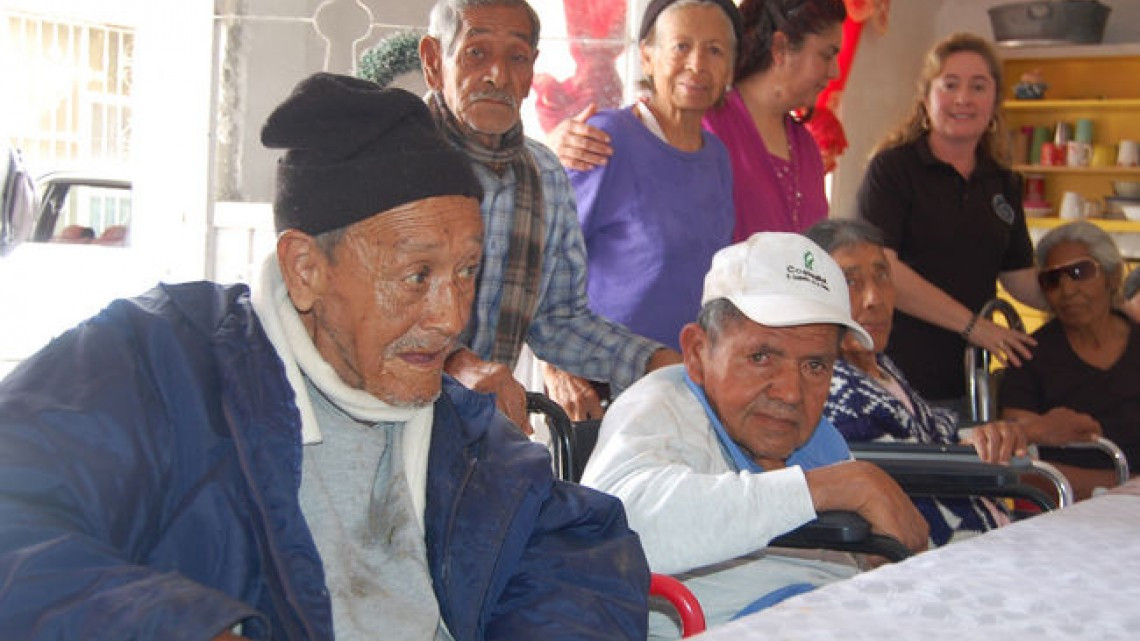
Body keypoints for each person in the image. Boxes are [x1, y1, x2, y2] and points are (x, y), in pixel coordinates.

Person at [0, 74, 651, 640]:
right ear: (306, 268)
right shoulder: (159, 365)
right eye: (417, 275)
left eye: (468, 271)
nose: (453, 317)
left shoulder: (460, 428)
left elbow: (577, 553)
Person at [581, 232, 929, 638]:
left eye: (815, 365)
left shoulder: (817, 438)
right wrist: (830, 488)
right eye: (761, 357)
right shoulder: (662, 407)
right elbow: (614, 530)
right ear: (697, 353)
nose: (789, 392)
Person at [418, 0, 680, 426]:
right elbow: (362, 313)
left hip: (475, 437)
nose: (498, 75)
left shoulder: (543, 176)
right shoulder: (393, 159)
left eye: (516, 58)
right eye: (476, 53)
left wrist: (658, 363)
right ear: (433, 62)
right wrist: (458, 366)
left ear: (531, 72)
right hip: (376, 427)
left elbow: (559, 321)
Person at [539, 0, 740, 409]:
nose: (697, 64)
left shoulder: (717, 156)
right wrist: (556, 367)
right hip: (600, 385)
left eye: (715, 50)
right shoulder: (605, 138)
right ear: (647, 56)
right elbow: (543, 259)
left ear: (731, 69)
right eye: (681, 46)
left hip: (681, 386)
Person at [806, 218, 1035, 545]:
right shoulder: (833, 387)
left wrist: (993, 433)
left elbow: (934, 428)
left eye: (882, 275)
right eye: (850, 281)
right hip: (937, 549)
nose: (874, 298)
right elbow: (910, 469)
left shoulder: (879, 367)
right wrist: (974, 450)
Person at [855, 32, 1048, 413]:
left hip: (965, 381)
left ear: (995, 101)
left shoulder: (1003, 182)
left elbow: (1019, 277)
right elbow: (882, 270)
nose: (963, 99)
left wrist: (1090, 301)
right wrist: (974, 326)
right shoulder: (893, 170)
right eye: (950, 85)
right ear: (927, 97)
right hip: (894, 377)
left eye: (978, 86)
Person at [551, 0, 846, 239]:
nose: (834, 71)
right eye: (827, 54)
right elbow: (553, 249)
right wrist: (549, 153)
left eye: (715, 51)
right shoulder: (698, 123)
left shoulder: (798, 146)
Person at [1000, 221, 1138, 500]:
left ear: (1112, 277)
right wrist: (1123, 486)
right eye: (1052, 280)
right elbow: (1019, 465)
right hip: (1069, 503)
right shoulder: (1029, 356)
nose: (1067, 289)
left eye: (1079, 272)